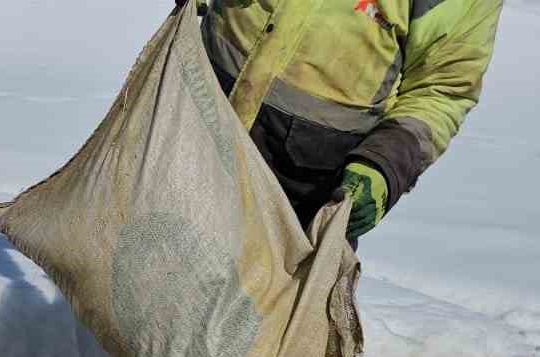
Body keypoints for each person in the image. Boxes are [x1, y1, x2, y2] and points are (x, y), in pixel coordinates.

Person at [190, 0, 503, 248]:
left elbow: (442, 88)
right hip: (188, 120)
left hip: (303, 189)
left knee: (257, 319)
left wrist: (384, 165)